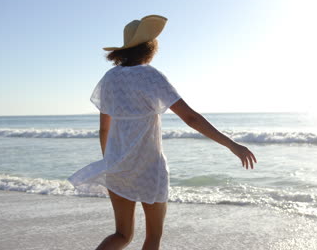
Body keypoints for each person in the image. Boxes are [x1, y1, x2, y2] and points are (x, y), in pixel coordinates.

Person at [68, 15, 257, 250]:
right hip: (149, 169)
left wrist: (111, 161)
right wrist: (232, 145)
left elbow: (104, 127)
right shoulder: (150, 76)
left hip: (117, 167)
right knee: (153, 237)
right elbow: (191, 117)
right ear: (150, 47)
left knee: (122, 235)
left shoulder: (109, 78)